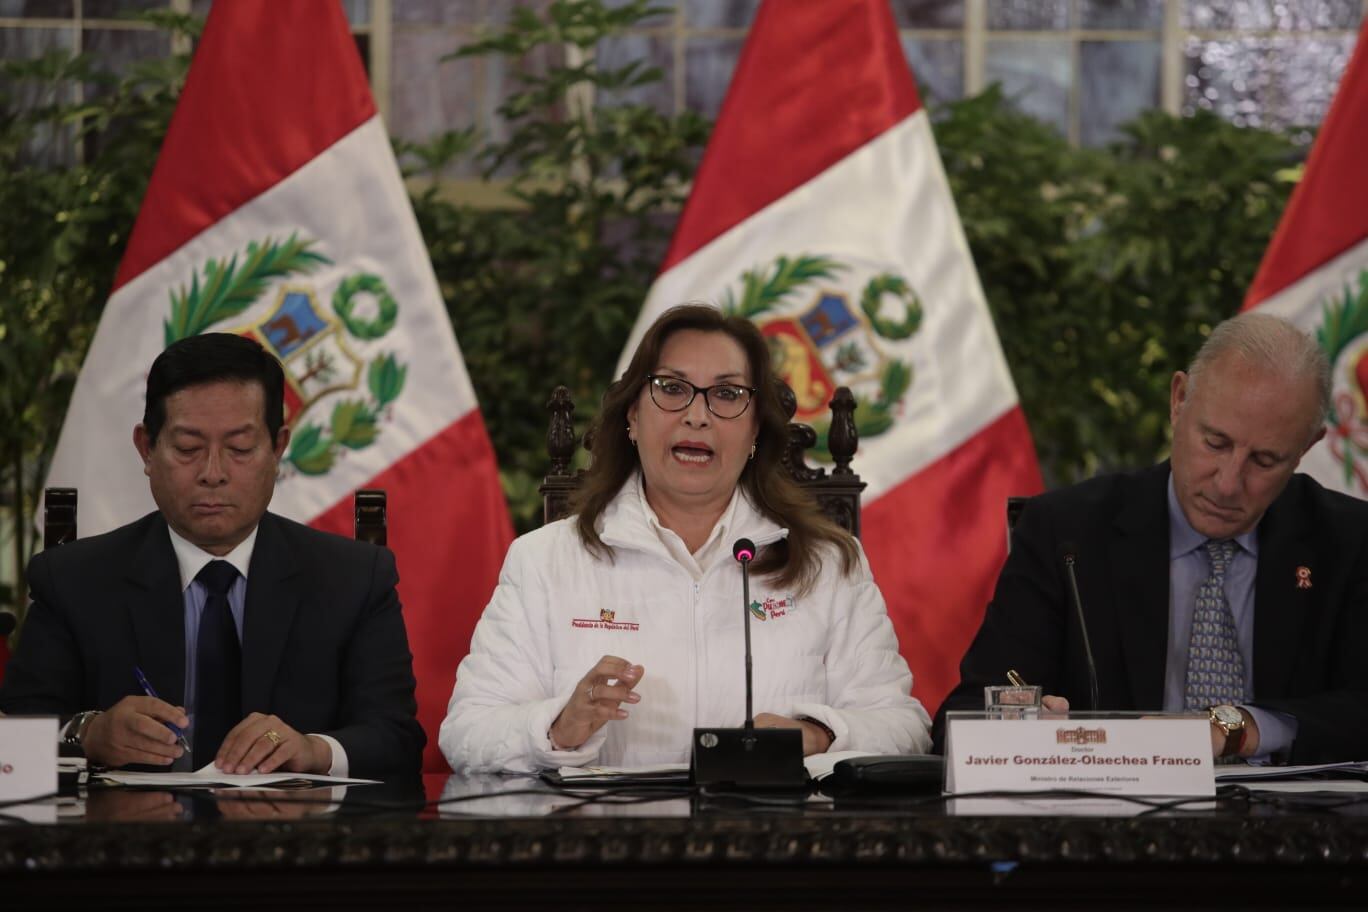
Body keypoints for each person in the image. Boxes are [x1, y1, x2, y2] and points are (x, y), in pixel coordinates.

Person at [441, 304, 930, 771]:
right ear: (632, 416)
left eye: (728, 395)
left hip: (775, 844)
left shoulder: (829, 564)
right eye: (672, 388)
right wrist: (557, 728)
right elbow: (468, 732)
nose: (697, 415)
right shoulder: (545, 560)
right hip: (602, 843)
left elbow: (904, 728)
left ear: (756, 427)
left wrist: (818, 734)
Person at [934, 312, 1368, 763]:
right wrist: (1020, 727)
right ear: (1179, 400)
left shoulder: (1350, 544)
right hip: (1110, 825)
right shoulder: (1068, 535)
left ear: (1307, 448)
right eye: (1215, 443)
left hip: (1295, 828)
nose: (1227, 483)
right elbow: (961, 720)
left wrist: (1238, 728)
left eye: (1265, 460)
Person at [0, 333, 424, 779]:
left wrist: (313, 750)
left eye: (240, 449)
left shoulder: (353, 578)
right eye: (188, 449)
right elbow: (16, 735)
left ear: (278, 448)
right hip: (128, 838)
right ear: (146, 448)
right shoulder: (73, 580)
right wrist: (89, 734)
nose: (213, 473)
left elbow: (396, 737)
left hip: (297, 839)